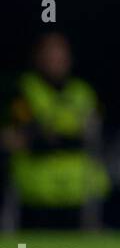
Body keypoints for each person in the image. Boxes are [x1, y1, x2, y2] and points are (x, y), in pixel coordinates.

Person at [2, 33, 109, 229]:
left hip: (81, 197)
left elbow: (94, 136)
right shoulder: (24, 89)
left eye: (60, 53)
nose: (55, 59)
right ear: (38, 56)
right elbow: (16, 137)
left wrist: (53, 135)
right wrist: (58, 137)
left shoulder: (82, 91)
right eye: (49, 53)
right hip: (35, 196)